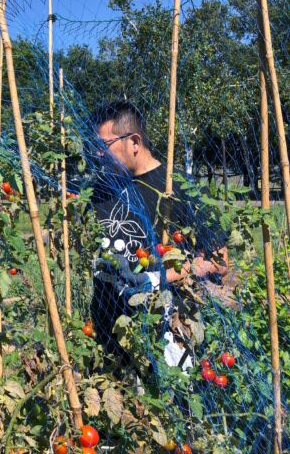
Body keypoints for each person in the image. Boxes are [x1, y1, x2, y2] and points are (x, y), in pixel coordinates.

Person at [87, 101, 230, 371]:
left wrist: (163, 276)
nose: (97, 154)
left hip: (164, 339)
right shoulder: (99, 191)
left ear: (134, 142)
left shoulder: (177, 188)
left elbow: (220, 261)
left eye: (104, 145)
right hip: (107, 340)